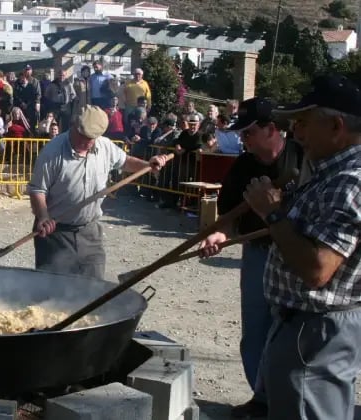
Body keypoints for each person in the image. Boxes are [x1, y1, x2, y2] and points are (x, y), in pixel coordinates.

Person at [241, 75, 361, 420]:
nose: (296, 133)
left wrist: (272, 213)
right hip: (306, 328)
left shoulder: (349, 182)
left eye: (304, 123)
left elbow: (317, 269)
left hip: (316, 331)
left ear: (337, 125)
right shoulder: (329, 175)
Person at [196, 97, 306, 419]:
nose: (243, 140)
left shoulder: (303, 157)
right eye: (241, 134)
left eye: (248, 133)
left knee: (287, 332)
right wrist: (220, 233)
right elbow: (228, 211)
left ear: (272, 129)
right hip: (257, 254)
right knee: (256, 330)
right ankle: (262, 399)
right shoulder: (244, 165)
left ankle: (284, 401)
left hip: (294, 255)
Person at [27, 105, 169, 279]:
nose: (86, 142)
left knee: (94, 288)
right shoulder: (52, 152)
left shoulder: (104, 146)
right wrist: (43, 216)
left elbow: (125, 162)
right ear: (73, 126)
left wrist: (147, 165)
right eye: (82, 136)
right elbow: (37, 189)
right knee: (52, 291)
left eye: (92, 138)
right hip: (55, 233)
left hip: (90, 232)